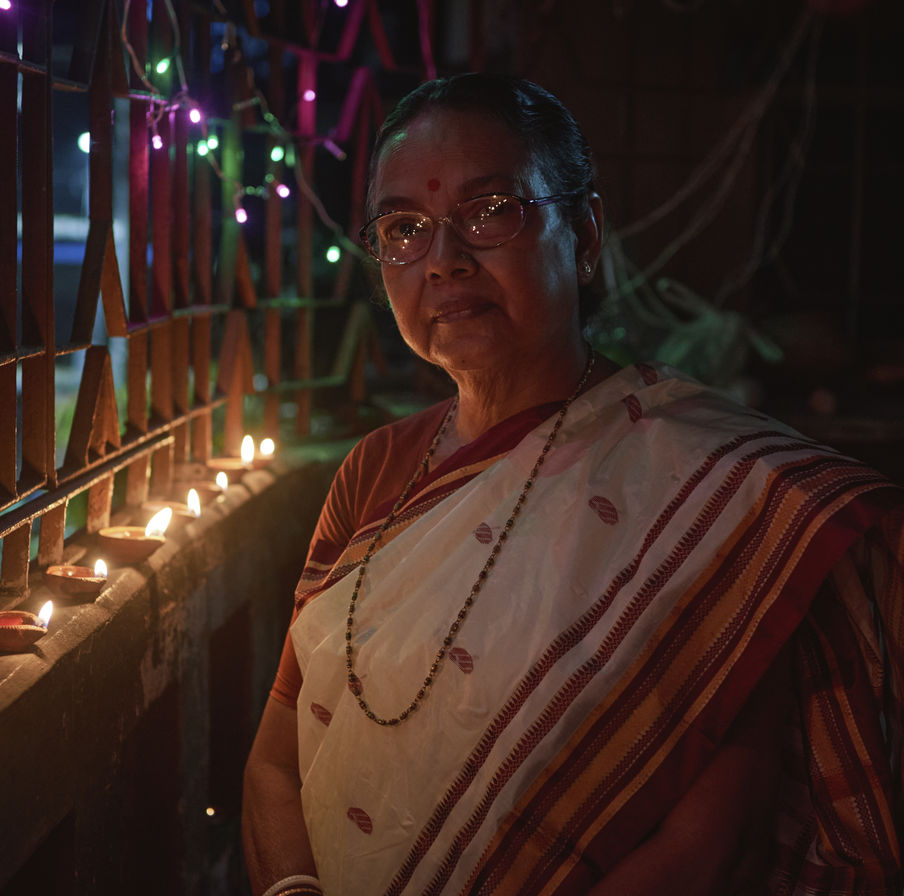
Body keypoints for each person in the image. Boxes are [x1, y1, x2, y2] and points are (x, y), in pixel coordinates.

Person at [241, 72, 904, 896]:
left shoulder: (716, 494)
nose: (443, 261)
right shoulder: (374, 470)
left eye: (490, 211)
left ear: (585, 235)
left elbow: (709, 841)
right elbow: (276, 752)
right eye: (404, 227)